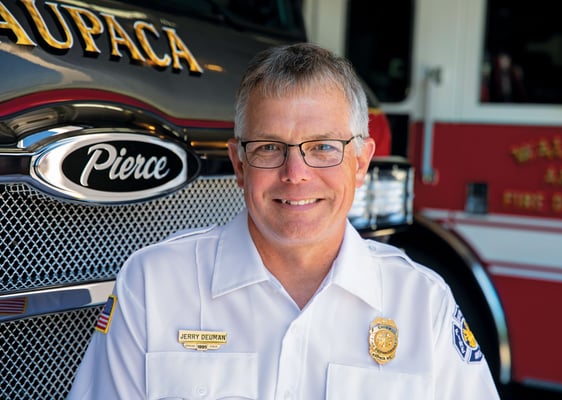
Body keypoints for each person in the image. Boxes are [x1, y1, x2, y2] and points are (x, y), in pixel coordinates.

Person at [68, 42, 500, 399]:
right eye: (269, 148)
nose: (296, 174)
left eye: (324, 147)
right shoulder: (152, 285)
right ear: (239, 164)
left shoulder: (424, 305)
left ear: (361, 162)